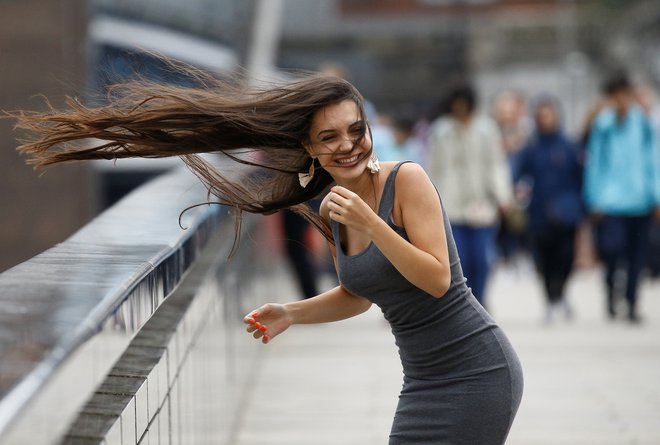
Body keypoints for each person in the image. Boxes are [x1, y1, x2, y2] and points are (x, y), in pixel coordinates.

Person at [9, 72, 523, 444]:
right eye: (329, 137)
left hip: (478, 372)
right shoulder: (333, 205)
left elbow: (437, 280)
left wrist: (374, 225)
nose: (349, 145)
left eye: (356, 130)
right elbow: (360, 294)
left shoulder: (404, 180)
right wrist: (291, 312)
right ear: (309, 148)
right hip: (424, 381)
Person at [427, 84, 514, 308]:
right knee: (460, 260)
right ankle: (465, 303)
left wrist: (503, 196)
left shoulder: (486, 129)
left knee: (482, 259)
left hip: (482, 204)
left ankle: (480, 299)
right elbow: (434, 167)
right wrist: (429, 199)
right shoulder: (440, 131)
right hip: (450, 205)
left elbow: (496, 164)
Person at [583, 72, 660, 323]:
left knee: (638, 256)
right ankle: (611, 289)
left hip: (639, 200)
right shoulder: (603, 125)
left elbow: (653, 161)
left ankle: (632, 302)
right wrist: (594, 198)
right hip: (611, 202)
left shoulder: (644, 123)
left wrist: (656, 196)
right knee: (612, 249)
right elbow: (594, 163)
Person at [515, 96, 584, 323]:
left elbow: (579, 177)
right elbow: (519, 175)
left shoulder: (568, 145)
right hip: (539, 213)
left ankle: (560, 292)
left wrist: (580, 205)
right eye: (541, 115)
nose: (545, 120)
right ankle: (550, 300)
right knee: (544, 260)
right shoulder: (532, 147)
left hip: (567, 212)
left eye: (549, 114)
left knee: (566, 257)